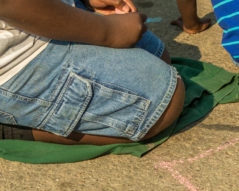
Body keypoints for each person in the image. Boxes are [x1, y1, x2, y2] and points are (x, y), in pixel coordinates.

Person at [0, 0, 185, 145]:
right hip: (18, 61)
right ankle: (17, 130)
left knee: (159, 56)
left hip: (40, 16)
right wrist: (108, 31)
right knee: (164, 101)